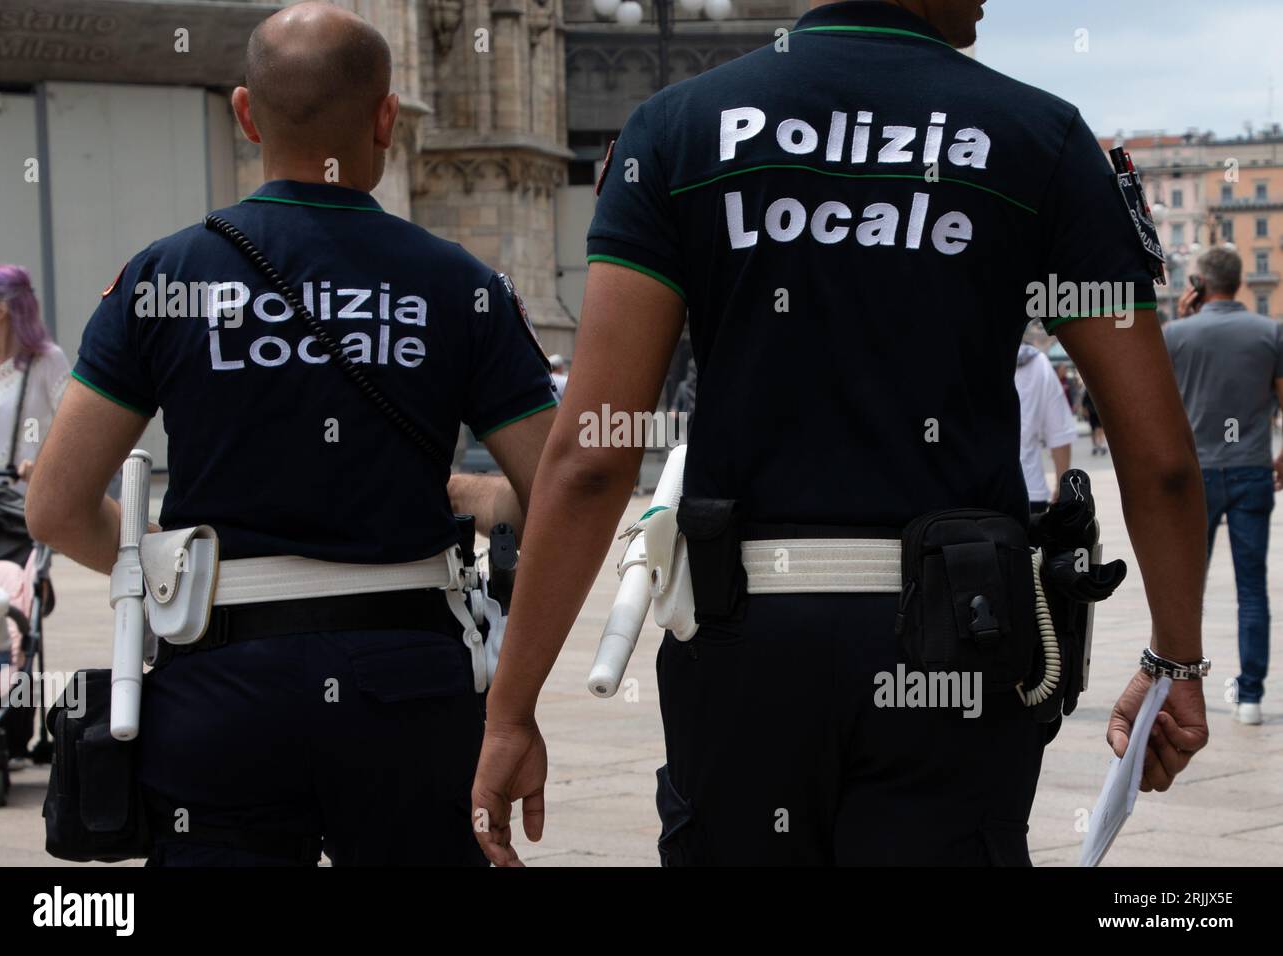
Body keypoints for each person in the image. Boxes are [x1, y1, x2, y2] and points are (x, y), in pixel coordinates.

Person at [472, 0, 1209, 866]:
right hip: (957, 643)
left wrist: (511, 708)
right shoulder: (1041, 138)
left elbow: (594, 458)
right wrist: (1177, 664)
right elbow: (1157, 460)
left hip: (743, 645)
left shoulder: (675, 129)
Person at [26, 1, 557, 866]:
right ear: (388, 117)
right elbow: (563, 491)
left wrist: (174, 570)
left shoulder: (166, 275)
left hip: (224, 690)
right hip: (408, 686)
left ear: (245, 112)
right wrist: (489, 504)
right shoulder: (462, 285)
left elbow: (53, 507)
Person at [1165, 246, 1283, 726]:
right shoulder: (1270, 332)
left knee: (1186, 588)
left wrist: (1180, 322)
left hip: (1198, 474)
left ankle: (1177, 684)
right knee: (1252, 588)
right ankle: (1250, 697)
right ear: (1238, 283)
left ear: (1198, 283)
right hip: (1252, 468)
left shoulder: (1175, 334)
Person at [0, 265, 70, 484]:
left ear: (1, 309)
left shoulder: (47, 360)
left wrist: (43, 466)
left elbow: (75, 430)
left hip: (22, 504)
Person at [1015, 343, 1076, 514]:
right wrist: (1062, 487)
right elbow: (1060, 432)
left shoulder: (949, 354)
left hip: (957, 499)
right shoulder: (1036, 362)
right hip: (1027, 490)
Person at [1081, 389, 1106, 456]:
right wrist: (1085, 411)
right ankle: (1096, 445)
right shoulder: (1088, 391)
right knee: (1094, 430)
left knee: (1100, 429)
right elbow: (1084, 402)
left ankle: (1101, 445)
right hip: (1092, 412)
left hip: (1098, 412)